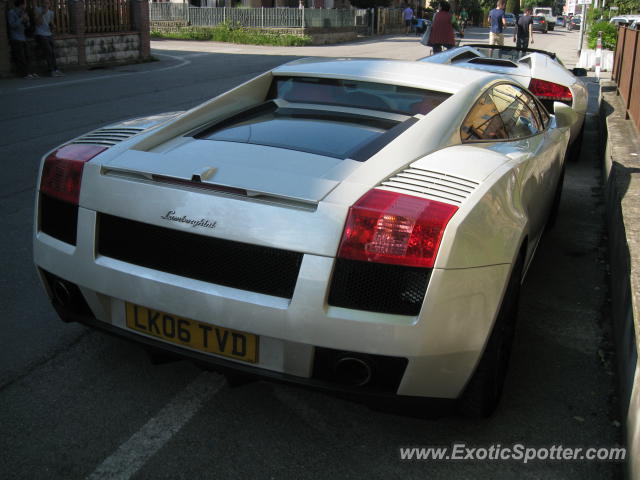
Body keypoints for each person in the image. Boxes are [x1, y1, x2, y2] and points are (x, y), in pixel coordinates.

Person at [7, 0, 37, 78]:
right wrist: (21, 19)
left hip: (23, 37)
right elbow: (12, 25)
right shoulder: (11, 12)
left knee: (28, 56)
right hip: (15, 37)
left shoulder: (24, 12)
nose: (26, 6)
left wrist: (27, 21)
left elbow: (28, 26)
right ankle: (24, 74)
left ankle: (30, 72)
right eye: (25, 4)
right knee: (21, 57)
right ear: (21, 4)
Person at [34, 0, 63, 77]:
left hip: (48, 34)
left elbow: (51, 23)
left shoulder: (51, 13)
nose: (46, 4)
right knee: (49, 50)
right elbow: (37, 23)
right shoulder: (37, 10)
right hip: (40, 33)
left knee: (52, 52)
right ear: (41, 3)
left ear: (50, 4)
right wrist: (42, 14)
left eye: (48, 3)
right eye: (44, 3)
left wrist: (53, 26)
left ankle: (56, 69)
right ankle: (51, 71)